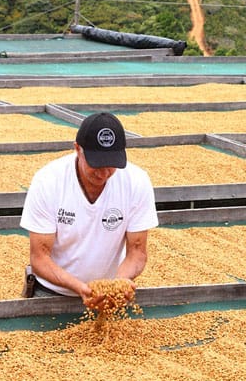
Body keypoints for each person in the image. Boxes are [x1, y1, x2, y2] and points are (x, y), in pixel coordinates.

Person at [19, 111, 158, 308]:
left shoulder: (136, 182)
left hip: (108, 296)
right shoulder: (48, 181)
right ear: (78, 149)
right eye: (96, 164)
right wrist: (80, 288)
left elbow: (137, 251)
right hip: (52, 293)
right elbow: (39, 258)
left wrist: (120, 283)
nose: (104, 173)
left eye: (111, 165)